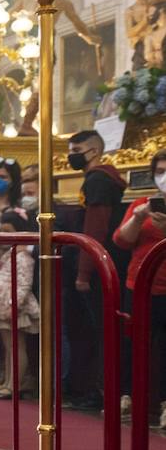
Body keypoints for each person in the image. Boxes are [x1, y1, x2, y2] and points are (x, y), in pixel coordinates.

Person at [64, 130, 127, 411]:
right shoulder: (101, 178)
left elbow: (96, 227)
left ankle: (108, 391)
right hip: (105, 263)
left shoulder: (99, 180)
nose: (71, 154)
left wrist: (84, 271)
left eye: (76, 149)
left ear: (93, 151)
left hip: (100, 264)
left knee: (104, 330)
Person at [112, 151, 166, 425]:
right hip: (140, 284)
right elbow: (122, 241)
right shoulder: (142, 204)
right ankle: (127, 397)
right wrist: (137, 217)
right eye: (159, 171)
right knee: (133, 343)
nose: (163, 177)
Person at [0, 208, 39, 401]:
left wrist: (13, 305)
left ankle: (15, 384)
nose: (4, 235)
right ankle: (7, 380)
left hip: (12, 305)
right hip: (3, 303)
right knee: (8, 346)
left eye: (8, 230)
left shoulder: (24, 256)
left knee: (15, 346)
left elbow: (23, 284)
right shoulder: (12, 252)